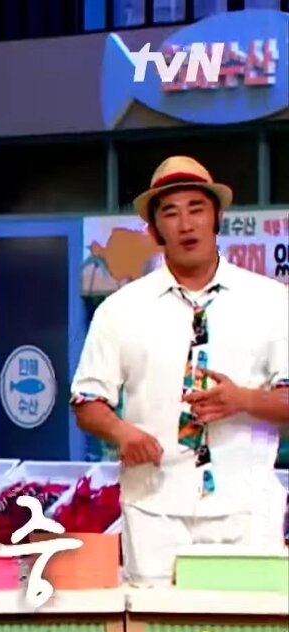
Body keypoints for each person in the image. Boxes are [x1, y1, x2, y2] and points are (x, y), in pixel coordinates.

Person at [71, 156, 289, 586]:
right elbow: (86, 401)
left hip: (247, 511)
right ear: (154, 230)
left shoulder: (270, 301)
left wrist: (244, 399)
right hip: (154, 512)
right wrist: (122, 432)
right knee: (155, 625)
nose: (186, 224)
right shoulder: (120, 310)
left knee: (249, 626)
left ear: (217, 217)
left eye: (197, 209)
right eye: (170, 213)